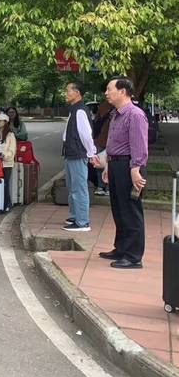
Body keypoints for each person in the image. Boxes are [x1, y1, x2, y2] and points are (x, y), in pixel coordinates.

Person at [100, 76, 149, 269]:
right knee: (119, 209)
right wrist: (108, 165)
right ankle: (121, 248)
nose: (106, 93)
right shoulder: (116, 114)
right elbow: (114, 143)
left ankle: (133, 256)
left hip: (129, 167)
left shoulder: (134, 114)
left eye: (109, 89)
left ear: (122, 91)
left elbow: (139, 145)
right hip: (116, 165)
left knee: (130, 210)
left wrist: (136, 169)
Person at [61, 82, 99, 232]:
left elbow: (86, 135)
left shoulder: (80, 111)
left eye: (68, 90)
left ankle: (82, 222)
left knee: (79, 188)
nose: (66, 93)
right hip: (71, 152)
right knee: (72, 187)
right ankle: (74, 216)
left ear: (77, 93)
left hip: (77, 153)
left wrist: (91, 153)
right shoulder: (75, 109)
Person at [90, 101, 112, 196]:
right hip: (105, 142)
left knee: (99, 165)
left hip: (102, 141)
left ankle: (101, 186)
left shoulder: (104, 109)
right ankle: (106, 187)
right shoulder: (113, 110)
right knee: (105, 165)